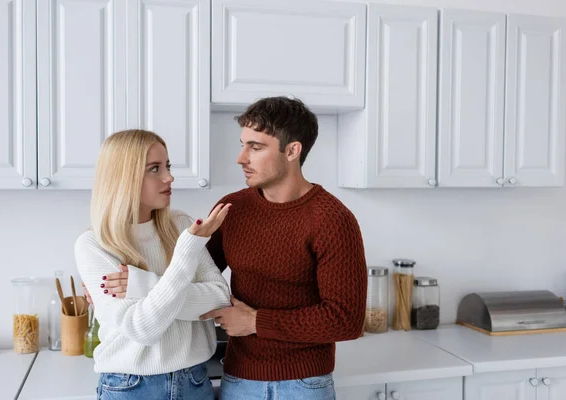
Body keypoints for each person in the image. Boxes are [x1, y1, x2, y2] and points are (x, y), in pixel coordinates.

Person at [99, 97, 368, 399]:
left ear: (292, 150)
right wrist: (130, 284)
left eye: (256, 147)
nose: (241, 158)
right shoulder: (233, 209)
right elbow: (186, 280)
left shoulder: (333, 220)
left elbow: (346, 320)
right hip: (238, 380)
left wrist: (256, 322)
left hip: (304, 384)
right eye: (243, 145)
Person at [74, 129, 232, 400]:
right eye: (154, 169)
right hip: (131, 387)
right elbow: (144, 328)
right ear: (124, 176)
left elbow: (219, 298)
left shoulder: (182, 225)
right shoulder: (94, 245)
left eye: (167, 166)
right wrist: (185, 254)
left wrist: (142, 285)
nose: (169, 177)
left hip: (195, 382)